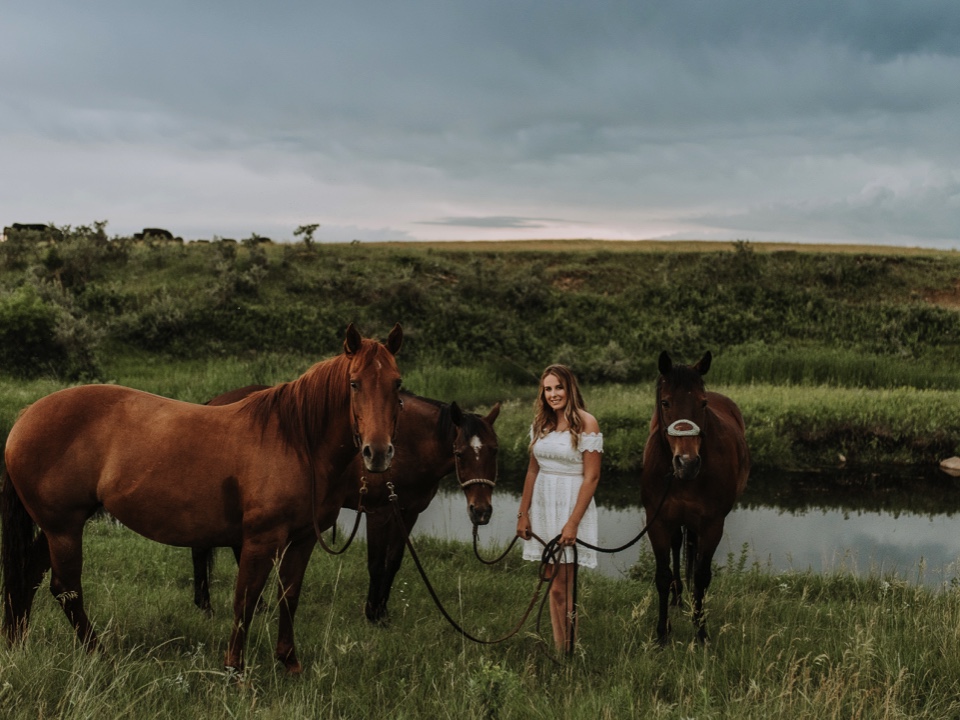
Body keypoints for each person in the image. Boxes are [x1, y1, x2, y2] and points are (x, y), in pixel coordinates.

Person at [516, 364, 602, 654]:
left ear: (570, 388)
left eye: (558, 387)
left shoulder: (587, 423)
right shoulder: (540, 424)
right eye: (548, 389)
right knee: (551, 583)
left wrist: (573, 523)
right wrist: (523, 513)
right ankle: (560, 647)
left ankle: (569, 648)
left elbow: (592, 477)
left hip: (570, 505)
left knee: (564, 585)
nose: (553, 394)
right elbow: (531, 471)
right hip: (543, 505)